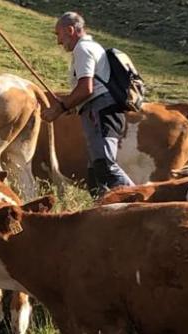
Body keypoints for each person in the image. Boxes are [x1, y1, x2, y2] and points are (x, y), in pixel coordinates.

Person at [41, 11, 134, 197]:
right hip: (102, 111)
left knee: (105, 166)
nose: (59, 41)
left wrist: (60, 108)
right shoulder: (92, 47)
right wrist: (73, 105)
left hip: (101, 112)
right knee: (96, 175)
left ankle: (142, 200)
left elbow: (86, 88)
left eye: (58, 35)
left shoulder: (82, 49)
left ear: (70, 30)